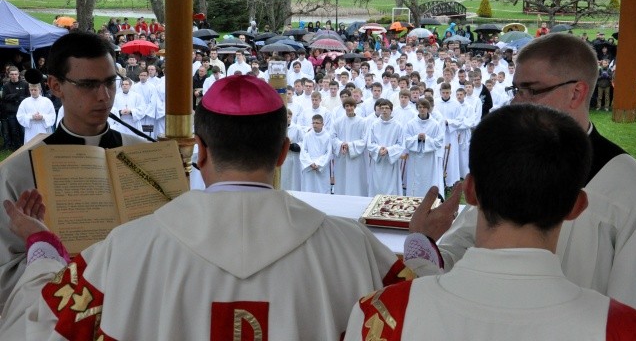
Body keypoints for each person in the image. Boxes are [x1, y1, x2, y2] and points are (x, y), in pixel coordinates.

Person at [0, 74, 414, 339]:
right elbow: (427, 308)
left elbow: (40, 321)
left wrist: (40, 245)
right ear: (284, 153)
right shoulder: (353, 248)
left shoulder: (126, 248)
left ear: (200, 151)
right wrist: (424, 244)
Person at [345, 104, 636, 340]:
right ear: (577, 207)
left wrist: (420, 248)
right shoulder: (622, 329)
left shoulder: (382, 316)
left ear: (470, 192)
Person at [407, 33, 636, 310]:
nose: (517, 102)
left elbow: (628, 307)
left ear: (576, 92)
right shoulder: (507, 157)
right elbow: (462, 248)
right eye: (516, 90)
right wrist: (428, 247)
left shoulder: (627, 186)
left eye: (531, 90)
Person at [0, 32, 146, 311]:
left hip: (136, 306)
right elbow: (5, 272)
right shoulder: (19, 173)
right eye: (88, 85)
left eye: (109, 83)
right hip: (59, 316)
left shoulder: (141, 156)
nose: (104, 96)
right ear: (55, 86)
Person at [404, 99, 443, 198]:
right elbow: (406, 140)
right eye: (420, 107)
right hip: (415, 157)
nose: (422, 109)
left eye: (424, 107)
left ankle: (429, 199)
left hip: (428, 158)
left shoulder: (435, 124)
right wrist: (416, 138)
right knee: (415, 181)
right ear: (417, 108)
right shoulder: (411, 124)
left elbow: (439, 142)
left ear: (428, 109)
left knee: (428, 180)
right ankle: (413, 199)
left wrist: (427, 139)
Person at [366, 99, 404, 196]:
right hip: (378, 160)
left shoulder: (398, 125)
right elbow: (370, 143)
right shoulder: (374, 124)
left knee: (391, 186)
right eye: (382, 108)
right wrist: (378, 149)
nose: (384, 110)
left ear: (391, 110)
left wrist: (388, 150)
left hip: (391, 161)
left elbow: (401, 144)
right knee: (377, 185)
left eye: (387, 108)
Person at [331, 97, 368, 197]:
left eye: (351, 106)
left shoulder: (362, 122)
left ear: (355, 107)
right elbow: (333, 137)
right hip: (342, 157)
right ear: (344, 107)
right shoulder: (338, 122)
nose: (349, 108)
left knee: (355, 180)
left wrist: (350, 145)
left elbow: (364, 140)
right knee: (342, 180)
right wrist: (341, 144)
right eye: (347, 106)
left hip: (356, 158)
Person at [299, 114, 332, 194]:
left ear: (322, 124)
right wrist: (310, 163)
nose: (314, 125)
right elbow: (303, 151)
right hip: (309, 166)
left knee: (321, 190)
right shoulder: (307, 136)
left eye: (317, 123)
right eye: (313, 123)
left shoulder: (327, 136)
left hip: (321, 167)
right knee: (308, 189)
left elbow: (328, 153)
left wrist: (318, 163)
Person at [1, 66, 30, 150]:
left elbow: (28, 97)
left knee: (23, 130)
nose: (14, 76)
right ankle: (16, 147)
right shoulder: (6, 85)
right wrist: (15, 96)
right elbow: (4, 97)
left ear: (18, 75)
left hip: (23, 112)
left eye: (15, 74)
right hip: (11, 112)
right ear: (9, 75)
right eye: (12, 74)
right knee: (14, 131)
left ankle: (25, 146)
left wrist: (19, 98)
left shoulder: (25, 84)